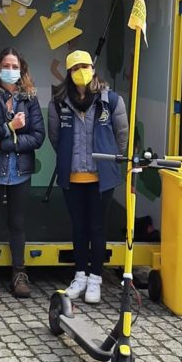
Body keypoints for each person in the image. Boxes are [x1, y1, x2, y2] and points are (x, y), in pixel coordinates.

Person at [48, 50, 128, 304]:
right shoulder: (58, 103)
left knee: (97, 227)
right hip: (73, 178)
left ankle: (95, 278)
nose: (81, 71)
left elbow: (121, 136)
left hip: (100, 178)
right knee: (78, 227)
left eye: (86, 66)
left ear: (93, 69)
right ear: (69, 74)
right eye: (75, 68)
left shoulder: (111, 101)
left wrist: (111, 159)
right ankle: (80, 275)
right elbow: (55, 138)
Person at [0, 47, 45, 299]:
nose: (11, 71)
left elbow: (38, 137)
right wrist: (9, 127)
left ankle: (19, 273)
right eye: (6, 66)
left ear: (22, 70)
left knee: (18, 224)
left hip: (21, 173)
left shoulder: (31, 99)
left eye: (15, 67)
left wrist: (2, 143)